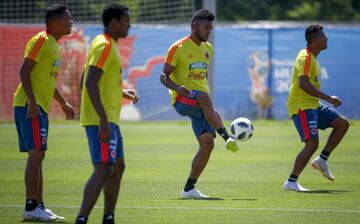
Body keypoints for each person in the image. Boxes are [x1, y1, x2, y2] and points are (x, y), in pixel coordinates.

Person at [160, 9, 240, 199]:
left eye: (211, 28)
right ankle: (227, 136)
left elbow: (201, 80)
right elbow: (163, 76)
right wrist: (178, 88)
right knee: (205, 99)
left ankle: (189, 189)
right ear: (194, 25)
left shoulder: (208, 49)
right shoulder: (178, 48)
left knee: (207, 144)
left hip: (201, 103)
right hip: (182, 100)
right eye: (206, 27)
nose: (209, 31)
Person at [75, 3, 138, 224]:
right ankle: (82, 218)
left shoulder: (106, 44)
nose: (129, 26)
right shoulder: (104, 46)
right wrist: (101, 118)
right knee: (103, 168)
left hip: (110, 119)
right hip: (102, 120)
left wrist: (121, 92)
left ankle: (108, 216)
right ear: (114, 22)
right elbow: (90, 82)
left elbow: (86, 79)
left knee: (118, 165)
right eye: (126, 22)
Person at [13, 4, 74, 221]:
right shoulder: (41, 40)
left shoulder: (54, 45)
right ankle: (30, 207)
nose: (71, 21)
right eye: (68, 18)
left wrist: (63, 103)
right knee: (36, 153)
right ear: (56, 22)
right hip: (30, 106)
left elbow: (47, 80)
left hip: (38, 105)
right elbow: (24, 70)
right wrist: (31, 102)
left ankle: (39, 206)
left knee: (39, 154)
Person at [283, 24, 349, 192]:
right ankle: (291, 182)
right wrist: (328, 98)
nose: (326, 38)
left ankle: (322, 159)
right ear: (314, 41)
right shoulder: (305, 57)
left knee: (342, 124)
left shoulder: (313, 57)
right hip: (301, 106)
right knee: (312, 143)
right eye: (323, 36)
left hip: (313, 104)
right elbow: (303, 84)